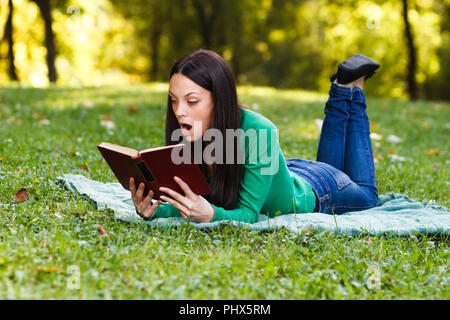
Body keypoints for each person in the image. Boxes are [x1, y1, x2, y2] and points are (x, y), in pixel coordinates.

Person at [129, 50, 380, 224]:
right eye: (174, 100)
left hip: (320, 190)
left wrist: (212, 216)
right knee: (333, 167)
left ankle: (346, 90)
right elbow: (193, 201)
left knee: (368, 196)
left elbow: (248, 215)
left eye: (192, 101)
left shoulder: (260, 131)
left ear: (220, 98)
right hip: (282, 171)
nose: (179, 111)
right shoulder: (189, 130)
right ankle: (342, 89)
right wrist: (153, 210)